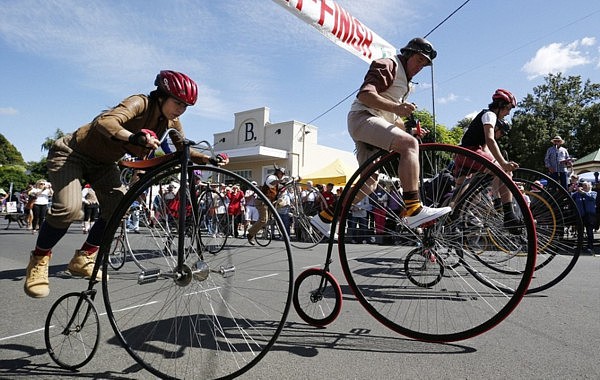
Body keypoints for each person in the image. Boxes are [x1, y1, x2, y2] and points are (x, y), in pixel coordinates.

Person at [23, 70, 229, 298]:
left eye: (186, 106)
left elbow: (183, 149)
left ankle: (84, 257)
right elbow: (105, 121)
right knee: (70, 208)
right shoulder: (140, 102)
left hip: (104, 163)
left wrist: (209, 159)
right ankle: (39, 261)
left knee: (118, 208)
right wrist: (133, 137)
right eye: (177, 102)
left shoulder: (172, 121)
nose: (180, 109)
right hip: (72, 153)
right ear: (162, 95)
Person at [310, 37, 451, 238]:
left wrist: (409, 131)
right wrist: (398, 109)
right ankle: (413, 209)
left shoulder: (407, 85)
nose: (421, 67)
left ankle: (324, 217)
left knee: (368, 184)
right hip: (363, 118)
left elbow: (391, 119)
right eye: (419, 60)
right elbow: (365, 95)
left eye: (425, 64)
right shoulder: (388, 65)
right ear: (409, 54)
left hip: (373, 123)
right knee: (409, 146)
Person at [455, 88, 521, 233]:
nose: (509, 113)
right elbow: (490, 139)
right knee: (504, 172)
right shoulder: (490, 115)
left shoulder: (485, 115)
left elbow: (486, 149)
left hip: (461, 155)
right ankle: (509, 215)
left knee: (460, 194)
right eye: (509, 108)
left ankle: (450, 219)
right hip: (470, 153)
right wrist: (503, 164)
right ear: (501, 105)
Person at [246, 166, 285, 245]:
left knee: (267, 219)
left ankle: (261, 227)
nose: (282, 175)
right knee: (263, 220)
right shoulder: (271, 177)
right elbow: (270, 183)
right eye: (281, 173)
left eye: (283, 174)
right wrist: (280, 181)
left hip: (269, 203)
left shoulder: (278, 182)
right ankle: (250, 234)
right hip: (262, 201)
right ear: (278, 172)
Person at [572, 181, 597, 254]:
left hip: (590, 215)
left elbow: (592, 198)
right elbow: (571, 197)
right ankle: (580, 247)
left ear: (590, 186)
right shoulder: (577, 194)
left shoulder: (593, 193)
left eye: (586, 185)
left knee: (589, 231)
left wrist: (583, 193)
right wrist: (571, 190)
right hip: (580, 215)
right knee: (580, 232)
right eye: (583, 185)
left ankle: (590, 247)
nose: (584, 187)